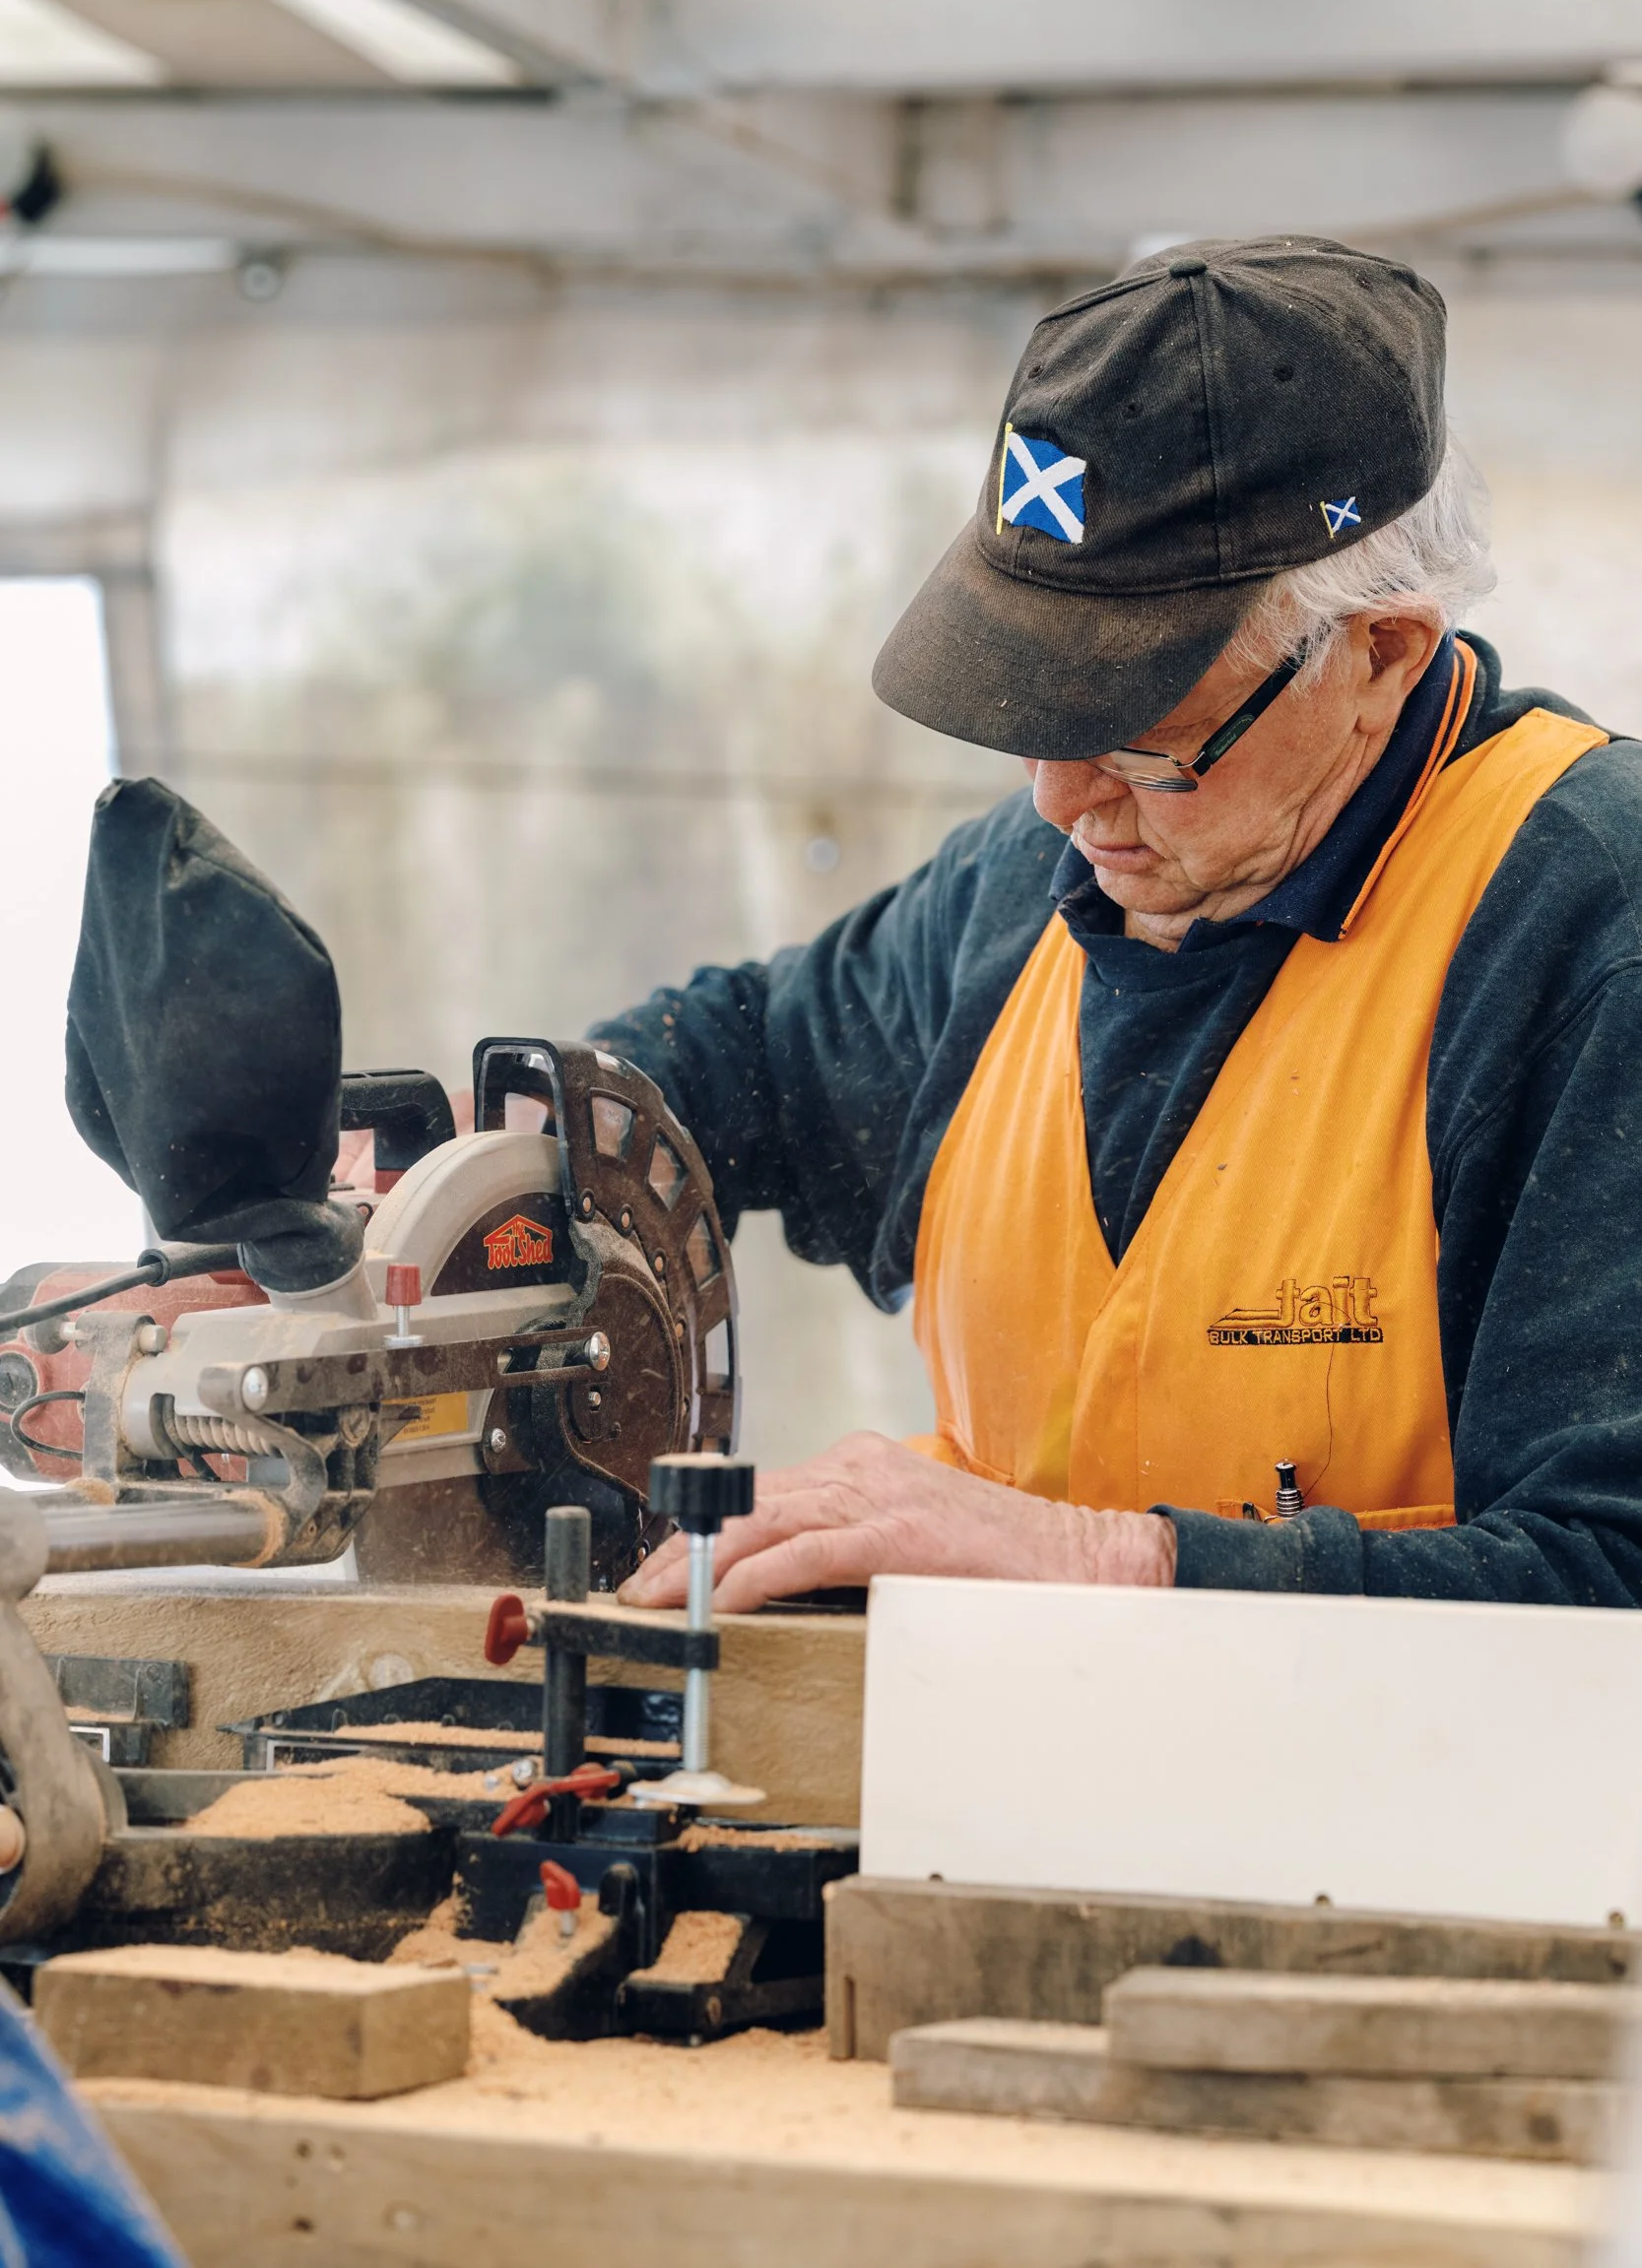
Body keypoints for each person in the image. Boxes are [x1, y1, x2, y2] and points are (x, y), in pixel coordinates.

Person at [600, 234, 1642, 1616]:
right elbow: (724, 1066)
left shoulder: (1581, 934)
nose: (1058, 802)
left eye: (1149, 744)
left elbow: (1606, 1568)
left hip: (1426, 1820)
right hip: (1005, 1803)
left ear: (1378, 655)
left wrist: (1090, 1563)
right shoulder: (1020, 892)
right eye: (1031, 726)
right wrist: (436, 1187)